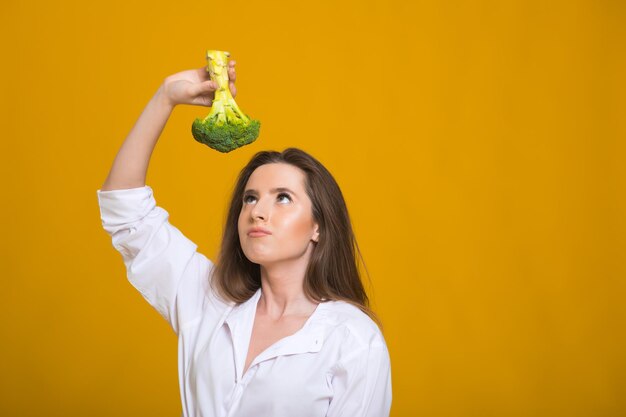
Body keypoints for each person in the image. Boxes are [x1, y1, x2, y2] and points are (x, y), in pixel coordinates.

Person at [97, 59, 392, 417]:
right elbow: (126, 210)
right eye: (250, 198)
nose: (257, 211)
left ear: (319, 226)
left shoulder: (353, 338)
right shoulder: (206, 301)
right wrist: (165, 97)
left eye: (283, 198)